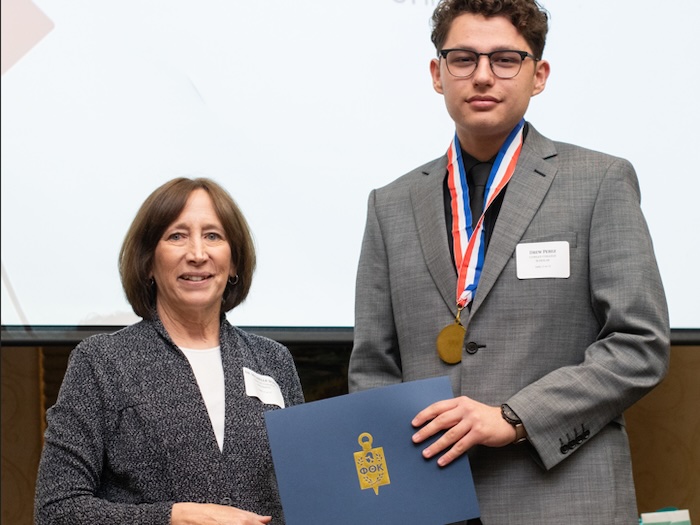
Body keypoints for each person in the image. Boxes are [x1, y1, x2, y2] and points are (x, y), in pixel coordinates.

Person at [347, 1, 670, 523]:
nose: (481, 76)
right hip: (431, 503)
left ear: (537, 75)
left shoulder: (599, 182)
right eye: (463, 59)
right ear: (437, 74)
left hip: (562, 499)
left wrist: (514, 418)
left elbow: (640, 345)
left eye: (504, 60)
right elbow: (372, 368)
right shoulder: (390, 204)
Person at [34, 177, 304, 525]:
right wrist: (174, 518)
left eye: (213, 236)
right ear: (148, 262)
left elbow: (306, 494)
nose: (197, 254)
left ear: (234, 262)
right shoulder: (101, 362)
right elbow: (56, 510)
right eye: (177, 236)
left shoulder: (274, 361)